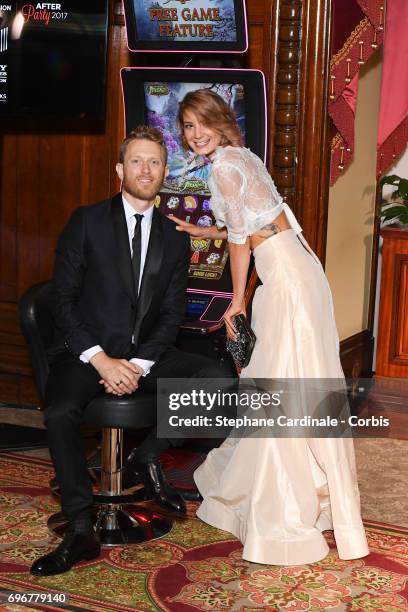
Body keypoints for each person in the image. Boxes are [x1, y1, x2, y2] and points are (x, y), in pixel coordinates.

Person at [170, 89, 369, 566]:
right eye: (187, 127)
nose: (194, 135)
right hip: (299, 271)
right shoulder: (242, 157)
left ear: (220, 122)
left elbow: (244, 241)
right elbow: (265, 226)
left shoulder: (223, 166)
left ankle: (283, 509)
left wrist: (236, 300)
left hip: (284, 283)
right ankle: (324, 500)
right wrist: (207, 232)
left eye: (201, 124)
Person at [31, 126, 230, 577]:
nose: (146, 169)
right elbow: (62, 299)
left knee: (217, 378)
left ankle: (146, 458)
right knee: (60, 410)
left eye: (155, 162)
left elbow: (172, 313)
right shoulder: (86, 221)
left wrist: (138, 365)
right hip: (88, 352)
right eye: (137, 161)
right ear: (121, 169)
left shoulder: (175, 237)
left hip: (144, 354)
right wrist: (101, 359)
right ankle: (80, 527)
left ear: (165, 174)